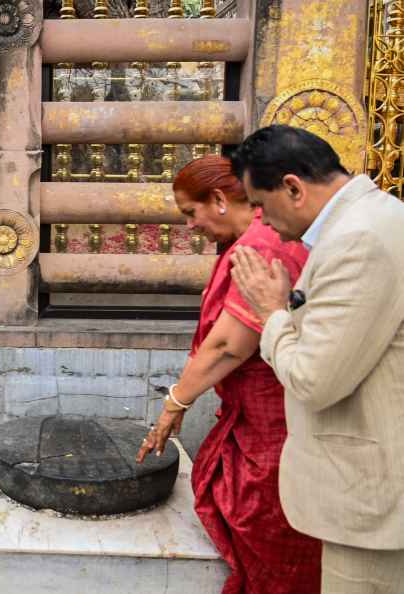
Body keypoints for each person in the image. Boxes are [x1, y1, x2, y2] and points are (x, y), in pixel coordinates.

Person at [229, 125, 404, 594]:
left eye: (261, 206)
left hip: (373, 503)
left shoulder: (359, 240)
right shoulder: (375, 218)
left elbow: (314, 379)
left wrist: (271, 315)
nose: (261, 222)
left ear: (293, 187)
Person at [136, 155, 321, 593]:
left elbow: (227, 345)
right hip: (269, 414)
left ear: (219, 199)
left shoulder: (260, 247)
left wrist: (173, 406)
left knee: (271, 529)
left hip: (274, 422)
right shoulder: (262, 237)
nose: (189, 227)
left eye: (190, 213)